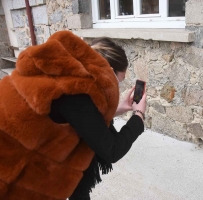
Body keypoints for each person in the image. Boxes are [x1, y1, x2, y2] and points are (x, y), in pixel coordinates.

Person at [0, 31, 146, 200]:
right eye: (119, 80)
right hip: (11, 166)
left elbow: (85, 122)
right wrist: (139, 114)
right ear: (110, 73)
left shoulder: (69, 73)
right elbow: (111, 150)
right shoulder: (77, 92)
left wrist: (118, 109)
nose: (117, 86)